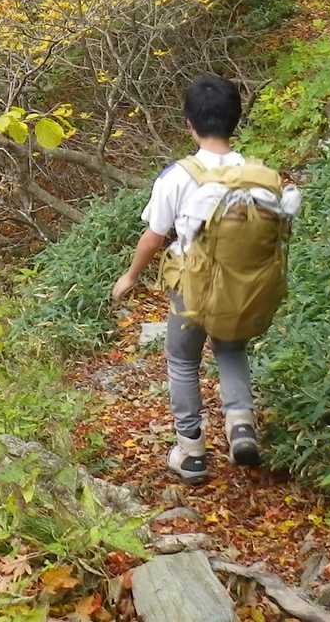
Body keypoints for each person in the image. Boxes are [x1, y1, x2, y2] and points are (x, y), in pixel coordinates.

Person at [111, 73, 269, 483]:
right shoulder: (256, 173)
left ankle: (192, 451)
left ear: (189, 124)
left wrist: (130, 276)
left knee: (182, 360)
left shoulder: (178, 176)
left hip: (191, 287)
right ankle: (240, 425)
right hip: (240, 284)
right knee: (230, 351)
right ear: (236, 119)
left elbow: (154, 236)